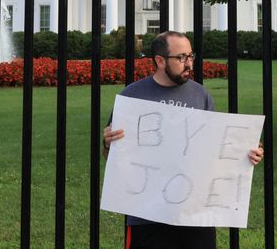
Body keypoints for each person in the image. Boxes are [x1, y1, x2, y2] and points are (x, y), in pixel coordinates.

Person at [103, 31, 264, 249]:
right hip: (147, 215)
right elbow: (113, 158)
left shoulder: (201, 95)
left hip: (195, 214)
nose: (189, 63)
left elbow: (213, 151)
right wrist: (108, 144)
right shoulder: (131, 97)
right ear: (160, 61)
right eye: (181, 58)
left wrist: (245, 155)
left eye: (190, 56)